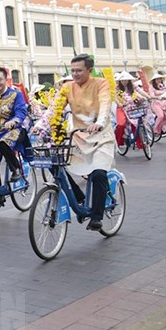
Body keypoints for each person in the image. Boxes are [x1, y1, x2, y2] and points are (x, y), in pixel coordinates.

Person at [62, 54, 115, 232]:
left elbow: (105, 103)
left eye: (79, 70)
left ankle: (96, 216)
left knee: (99, 173)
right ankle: (79, 198)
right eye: (73, 70)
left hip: (101, 137)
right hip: (78, 137)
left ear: (89, 71)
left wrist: (99, 122)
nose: (75, 74)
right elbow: (54, 109)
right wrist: (41, 125)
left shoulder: (100, 83)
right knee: (57, 166)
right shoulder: (67, 87)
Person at [0, 67, 28, 203]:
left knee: (3, 143)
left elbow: (21, 111)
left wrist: (14, 120)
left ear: (6, 79)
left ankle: (16, 170)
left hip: (15, 130)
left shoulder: (16, 94)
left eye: (0, 79)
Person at [114, 72, 151, 149]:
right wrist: (120, 103)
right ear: (119, 81)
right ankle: (119, 141)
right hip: (121, 108)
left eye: (126, 80)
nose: (124, 82)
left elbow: (140, 92)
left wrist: (148, 97)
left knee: (136, 124)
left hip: (132, 107)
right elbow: (115, 97)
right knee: (121, 124)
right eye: (122, 80)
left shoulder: (133, 86)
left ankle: (141, 143)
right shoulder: (117, 88)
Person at [147, 71, 166, 136]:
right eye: (157, 79)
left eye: (159, 79)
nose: (158, 80)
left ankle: (162, 129)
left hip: (164, 103)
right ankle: (155, 130)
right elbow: (151, 96)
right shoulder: (151, 87)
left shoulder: (164, 86)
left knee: (165, 117)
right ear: (154, 80)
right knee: (161, 116)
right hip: (156, 103)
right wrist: (158, 97)